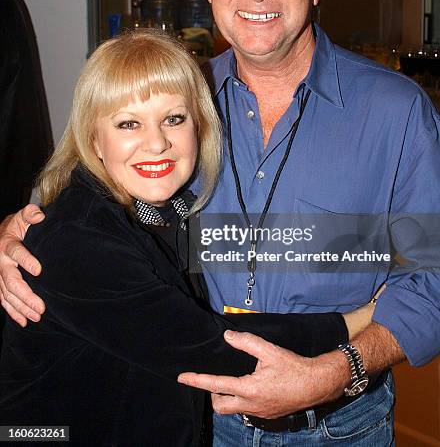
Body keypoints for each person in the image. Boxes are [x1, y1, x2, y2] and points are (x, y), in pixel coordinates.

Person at [1, 0, 440, 445]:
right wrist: (16, 233)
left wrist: (338, 369)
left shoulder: (397, 113)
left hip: (338, 424)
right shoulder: (173, 105)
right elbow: (81, 200)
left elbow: (431, 276)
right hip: (198, 422)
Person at [0, 30, 372, 447]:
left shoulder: (169, 212)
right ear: (93, 141)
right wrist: (357, 320)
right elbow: (212, 347)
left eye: (173, 119)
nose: (157, 143)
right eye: (128, 123)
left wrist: (389, 250)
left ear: (199, 125)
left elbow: (264, 242)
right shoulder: (78, 242)